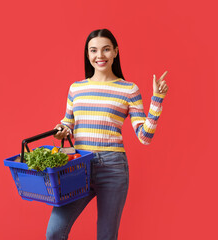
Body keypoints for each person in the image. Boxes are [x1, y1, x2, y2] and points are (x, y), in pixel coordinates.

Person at [46, 28, 168, 240]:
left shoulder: (129, 89)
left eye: (105, 50)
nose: (99, 56)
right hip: (78, 165)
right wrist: (62, 130)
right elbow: (68, 123)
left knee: (106, 236)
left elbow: (144, 136)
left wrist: (156, 99)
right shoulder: (76, 88)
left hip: (112, 168)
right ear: (88, 54)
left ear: (115, 52)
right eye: (93, 50)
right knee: (55, 231)